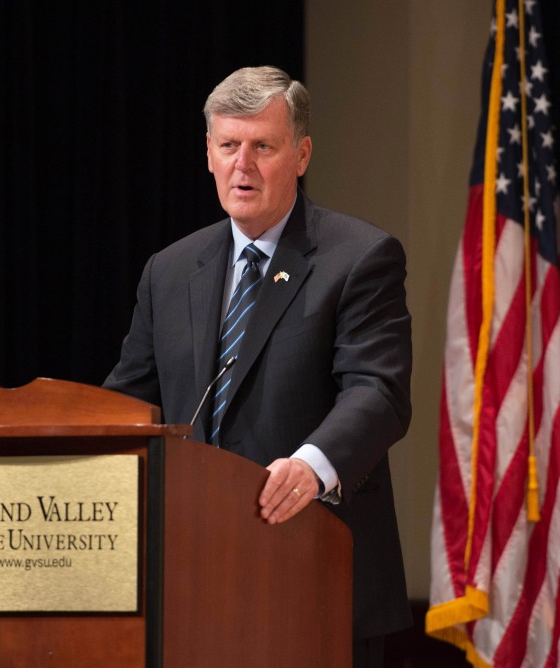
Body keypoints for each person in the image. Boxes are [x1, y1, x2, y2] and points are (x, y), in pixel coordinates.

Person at [103, 65, 412, 666]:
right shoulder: (168, 271)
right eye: (228, 146)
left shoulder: (359, 257)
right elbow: (126, 407)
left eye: (262, 147)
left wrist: (310, 467)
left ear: (301, 155)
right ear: (210, 157)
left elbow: (378, 392)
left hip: (313, 567)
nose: (242, 164)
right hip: (190, 581)